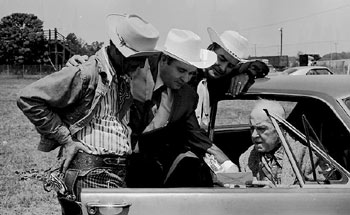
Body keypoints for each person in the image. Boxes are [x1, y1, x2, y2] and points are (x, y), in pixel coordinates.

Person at [17, 13, 160, 215]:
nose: (139, 65)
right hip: (91, 172)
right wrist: (66, 140)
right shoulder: (86, 72)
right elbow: (29, 98)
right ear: (116, 48)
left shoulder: (121, 78)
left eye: (143, 59)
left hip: (111, 173)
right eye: (135, 59)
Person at [236, 99, 325, 187]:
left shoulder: (306, 155)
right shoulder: (246, 159)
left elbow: (319, 192)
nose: (254, 135)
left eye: (261, 129)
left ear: (280, 129)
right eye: (252, 128)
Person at [195, 27, 269, 128]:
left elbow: (262, 67)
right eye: (221, 58)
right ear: (211, 48)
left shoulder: (224, 80)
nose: (223, 68)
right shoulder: (187, 72)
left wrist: (247, 74)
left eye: (230, 65)